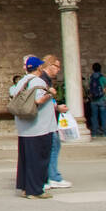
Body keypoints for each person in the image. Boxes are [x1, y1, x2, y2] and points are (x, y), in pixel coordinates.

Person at [9, 56, 60, 198]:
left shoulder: (22, 81)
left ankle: (26, 188)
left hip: (24, 128)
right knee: (39, 159)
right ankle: (36, 190)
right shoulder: (38, 81)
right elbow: (38, 100)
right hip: (39, 127)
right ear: (39, 68)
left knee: (26, 160)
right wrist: (50, 93)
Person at [38, 56, 73, 190]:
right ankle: (53, 177)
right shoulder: (43, 80)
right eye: (57, 66)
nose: (58, 70)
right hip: (47, 121)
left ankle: (50, 177)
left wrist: (57, 107)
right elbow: (42, 99)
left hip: (49, 119)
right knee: (53, 146)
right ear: (50, 65)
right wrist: (56, 106)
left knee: (53, 146)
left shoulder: (46, 80)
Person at [86, 62, 106, 138]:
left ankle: (94, 133)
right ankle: (105, 133)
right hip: (102, 99)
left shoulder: (91, 78)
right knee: (103, 116)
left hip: (93, 100)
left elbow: (88, 88)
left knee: (94, 117)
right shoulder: (103, 78)